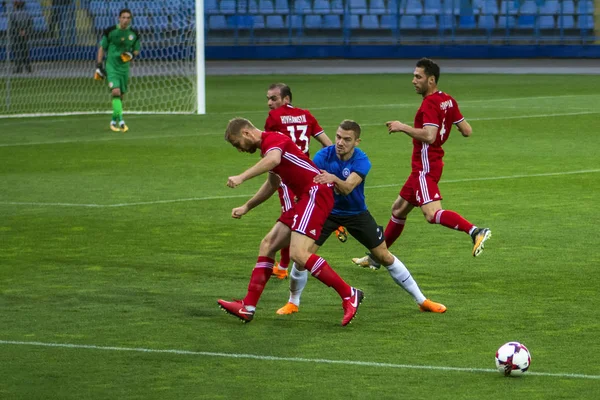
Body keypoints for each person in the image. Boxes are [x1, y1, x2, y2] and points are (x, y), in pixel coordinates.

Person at [276, 120, 446, 315]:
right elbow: (310, 182)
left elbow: (348, 188)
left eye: (347, 139)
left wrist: (332, 178)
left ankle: (422, 300)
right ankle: (293, 302)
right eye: (338, 137)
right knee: (301, 257)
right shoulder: (323, 156)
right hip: (326, 212)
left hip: (356, 213)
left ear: (357, 141)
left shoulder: (361, 160)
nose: (340, 142)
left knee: (383, 256)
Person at [218, 117, 364, 327]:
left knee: (299, 254)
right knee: (267, 244)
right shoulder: (269, 148)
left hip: (315, 193)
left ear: (246, 134)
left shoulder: (273, 140)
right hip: (305, 198)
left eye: (237, 144)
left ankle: (349, 294)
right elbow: (272, 184)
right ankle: (247, 307)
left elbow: (274, 160)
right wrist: (247, 206)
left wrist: (242, 177)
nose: (239, 149)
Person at [353, 58, 491, 269]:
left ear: (431, 79)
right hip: (429, 165)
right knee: (398, 210)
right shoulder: (448, 100)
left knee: (431, 214)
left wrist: (403, 127)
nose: (413, 80)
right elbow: (467, 131)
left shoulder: (430, 103)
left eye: (418, 77)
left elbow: (429, 136)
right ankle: (377, 257)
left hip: (425, 167)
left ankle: (475, 231)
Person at [263, 83, 347, 281]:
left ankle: (283, 267)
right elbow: (328, 144)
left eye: (273, 98)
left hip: (289, 177)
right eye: (268, 98)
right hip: (309, 175)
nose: (269, 103)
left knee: (291, 219)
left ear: (286, 99)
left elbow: (269, 148)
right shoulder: (306, 115)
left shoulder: (274, 118)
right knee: (293, 218)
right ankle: (284, 265)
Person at [94, 8, 140, 133]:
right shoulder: (110, 31)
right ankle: (122, 122)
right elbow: (102, 48)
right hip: (111, 66)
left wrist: (132, 54)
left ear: (131, 19)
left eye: (128, 18)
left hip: (124, 69)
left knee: (121, 96)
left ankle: (113, 121)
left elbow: (136, 49)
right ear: (119, 18)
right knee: (115, 92)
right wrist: (99, 65)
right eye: (123, 17)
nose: (125, 20)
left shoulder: (134, 34)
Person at [9, 0, 33, 74]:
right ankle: (28, 68)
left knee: (17, 52)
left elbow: (12, 26)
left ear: (15, 5)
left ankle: (18, 68)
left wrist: (19, 31)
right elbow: (31, 24)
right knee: (25, 51)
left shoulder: (13, 14)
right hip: (25, 35)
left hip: (16, 36)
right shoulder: (27, 14)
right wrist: (25, 31)